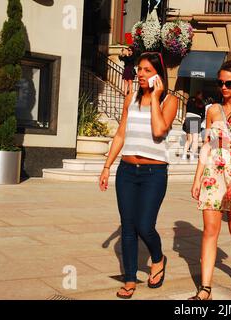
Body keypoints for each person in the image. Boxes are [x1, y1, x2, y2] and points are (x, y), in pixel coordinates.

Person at [99, 52, 178, 299]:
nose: (140, 74)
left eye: (146, 70)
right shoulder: (130, 97)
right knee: (128, 227)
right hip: (126, 171)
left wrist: (155, 97)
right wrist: (107, 165)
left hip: (154, 172)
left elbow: (159, 130)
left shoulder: (170, 101)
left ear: (158, 75)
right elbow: (121, 133)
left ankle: (158, 258)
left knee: (145, 225)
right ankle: (130, 278)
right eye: (139, 70)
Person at [189, 60, 231, 300]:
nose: (224, 87)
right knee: (210, 230)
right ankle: (205, 287)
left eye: (229, 83)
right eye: (220, 83)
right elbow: (207, 144)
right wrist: (198, 177)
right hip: (213, 174)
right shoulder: (212, 110)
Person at [181, 91, 205, 160]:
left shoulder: (190, 100)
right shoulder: (201, 103)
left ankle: (184, 155)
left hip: (188, 117)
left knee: (189, 139)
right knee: (195, 139)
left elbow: (187, 109)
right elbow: (203, 114)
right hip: (195, 119)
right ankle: (192, 155)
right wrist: (200, 121)